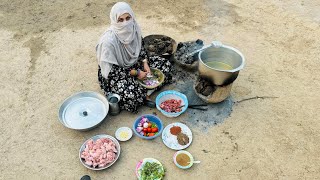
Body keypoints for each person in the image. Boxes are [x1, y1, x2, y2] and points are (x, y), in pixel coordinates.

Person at [96, 2, 172, 113]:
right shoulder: (108, 42)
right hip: (118, 74)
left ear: (132, 17)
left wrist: (145, 63)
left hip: (136, 64)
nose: (125, 23)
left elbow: (141, 49)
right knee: (131, 96)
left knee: (165, 65)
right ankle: (144, 94)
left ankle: (144, 93)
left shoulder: (134, 29)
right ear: (114, 20)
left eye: (128, 18)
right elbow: (111, 72)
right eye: (120, 20)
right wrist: (136, 73)